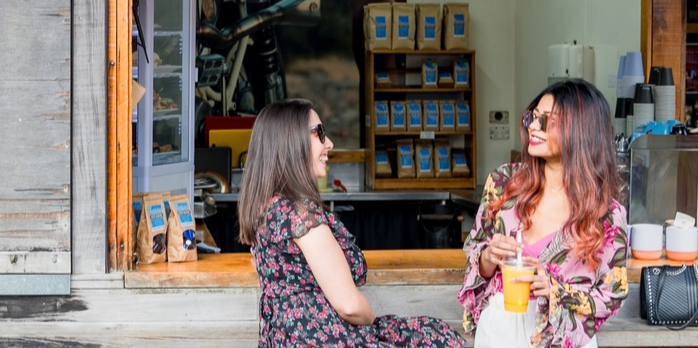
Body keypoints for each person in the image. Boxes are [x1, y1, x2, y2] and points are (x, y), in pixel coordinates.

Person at [239, 99, 465, 348]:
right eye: (319, 134)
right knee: (440, 338)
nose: (329, 143)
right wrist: (371, 320)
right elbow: (349, 306)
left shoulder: (267, 208)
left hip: (290, 340)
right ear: (291, 142)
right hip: (325, 340)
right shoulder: (301, 215)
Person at [458, 79, 629, 348]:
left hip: (561, 337)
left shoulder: (605, 214)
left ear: (581, 131)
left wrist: (555, 289)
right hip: (499, 330)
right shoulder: (504, 184)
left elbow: (612, 294)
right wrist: (487, 258)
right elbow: (473, 256)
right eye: (534, 117)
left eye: (548, 121)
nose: (534, 127)